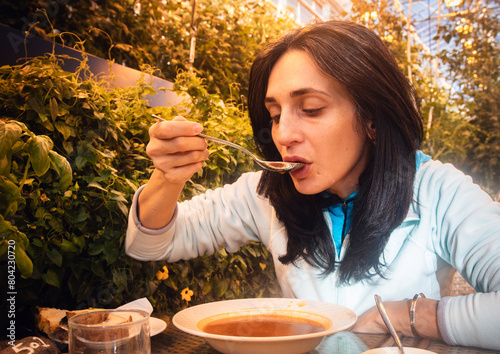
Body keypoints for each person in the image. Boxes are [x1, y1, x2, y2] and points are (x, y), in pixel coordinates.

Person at [125, 20, 500, 350]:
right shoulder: (265, 193)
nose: (284, 134)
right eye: (275, 114)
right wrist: (167, 177)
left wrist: (409, 316)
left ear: (371, 118)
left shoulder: (437, 191)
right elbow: (149, 244)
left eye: (312, 108)